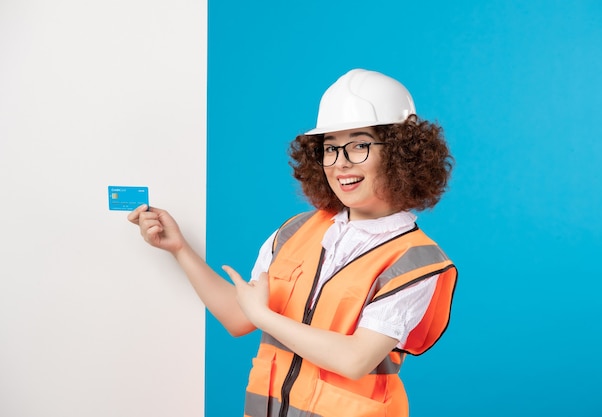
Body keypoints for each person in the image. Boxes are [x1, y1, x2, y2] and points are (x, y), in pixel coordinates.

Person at [128, 68, 457, 417]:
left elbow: (354, 359)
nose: (340, 163)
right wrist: (179, 248)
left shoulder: (416, 262)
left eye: (359, 145)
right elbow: (240, 318)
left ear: (400, 154)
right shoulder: (295, 231)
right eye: (330, 148)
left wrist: (263, 316)